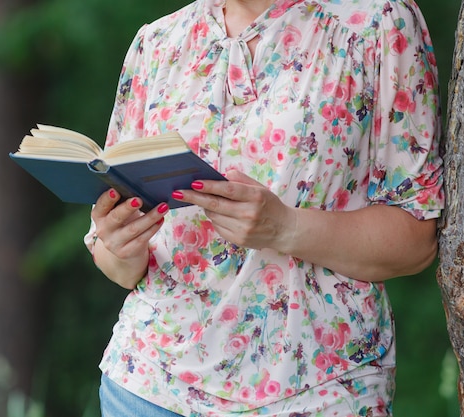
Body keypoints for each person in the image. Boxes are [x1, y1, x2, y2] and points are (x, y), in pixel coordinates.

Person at [85, 0, 444, 415]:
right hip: (146, 388)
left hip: (316, 389)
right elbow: (117, 263)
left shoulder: (376, 24)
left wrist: (284, 227)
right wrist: (118, 247)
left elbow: (417, 240)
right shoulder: (158, 42)